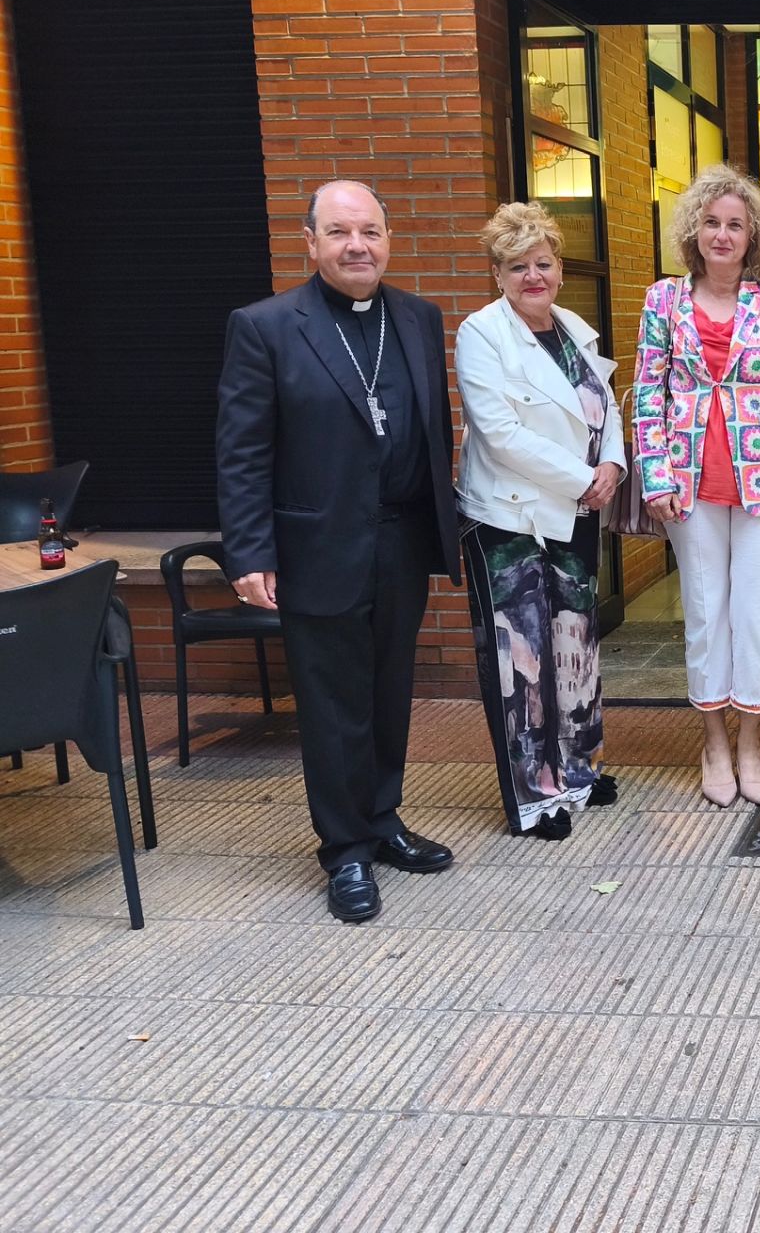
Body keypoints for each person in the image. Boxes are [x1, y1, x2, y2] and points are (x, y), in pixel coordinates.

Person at [216, 180, 461, 923]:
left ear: (388, 239)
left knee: (389, 693)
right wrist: (249, 552)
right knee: (330, 705)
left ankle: (384, 820)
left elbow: (430, 429)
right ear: (311, 241)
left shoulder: (417, 317)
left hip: (401, 538)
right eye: (341, 232)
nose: (358, 245)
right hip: (314, 545)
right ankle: (345, 850)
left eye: (371, 232)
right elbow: (241, 451)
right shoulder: (265, 326)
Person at [634, 165, 760, 808]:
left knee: (756, 616)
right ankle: (713, 740)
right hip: (690, 485)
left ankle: (751, 743)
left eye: (735, 224)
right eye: (711, 222)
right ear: (694, 230)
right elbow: (647, 395)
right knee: (707, 616)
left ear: (752, 236)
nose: (722, 234)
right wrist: (654, 476)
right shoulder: (664, 300)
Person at [455, 201, 625, 840]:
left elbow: (605, 410)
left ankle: (579, 766)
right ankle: (537, 793)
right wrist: (587, 479)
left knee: (575, 644)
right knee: (522, 659)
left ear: (560, 269)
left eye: (544, 263)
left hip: (577, 514)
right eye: (517, 266)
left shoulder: (574, 327)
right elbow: (498, 435)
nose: (534, 276)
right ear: (497, 273)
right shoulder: (482, 334)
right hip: (513, 522)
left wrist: (613, 465)